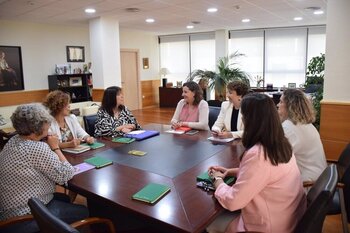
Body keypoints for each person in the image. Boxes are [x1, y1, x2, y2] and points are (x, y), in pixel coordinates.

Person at [207, 93, 306, 233]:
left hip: (269, 227)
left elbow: (233, 201)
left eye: (244, 115)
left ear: (250, 120)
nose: (242, 118)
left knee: (210, 225)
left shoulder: (258, 154)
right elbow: (267, 175)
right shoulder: (281, 143)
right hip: (289, 218)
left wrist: (217, 181)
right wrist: (231, 171)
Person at [0, 104, 88, 232]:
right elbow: (66, 174)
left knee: (64, 198)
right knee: (83, 211)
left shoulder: (13, 141)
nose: (49, 126)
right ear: (37, 128)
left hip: (8, 211)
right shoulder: (37, 148)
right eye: (46, 124)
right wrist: (55, 147)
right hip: (27, 215)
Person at [277, 88, 327, 183]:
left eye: (281, 102)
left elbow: (278, 158)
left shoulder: (289, 127)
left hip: (308, 184)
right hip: (319, 178)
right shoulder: (304, 123)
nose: (278, 105)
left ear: (290, 106)